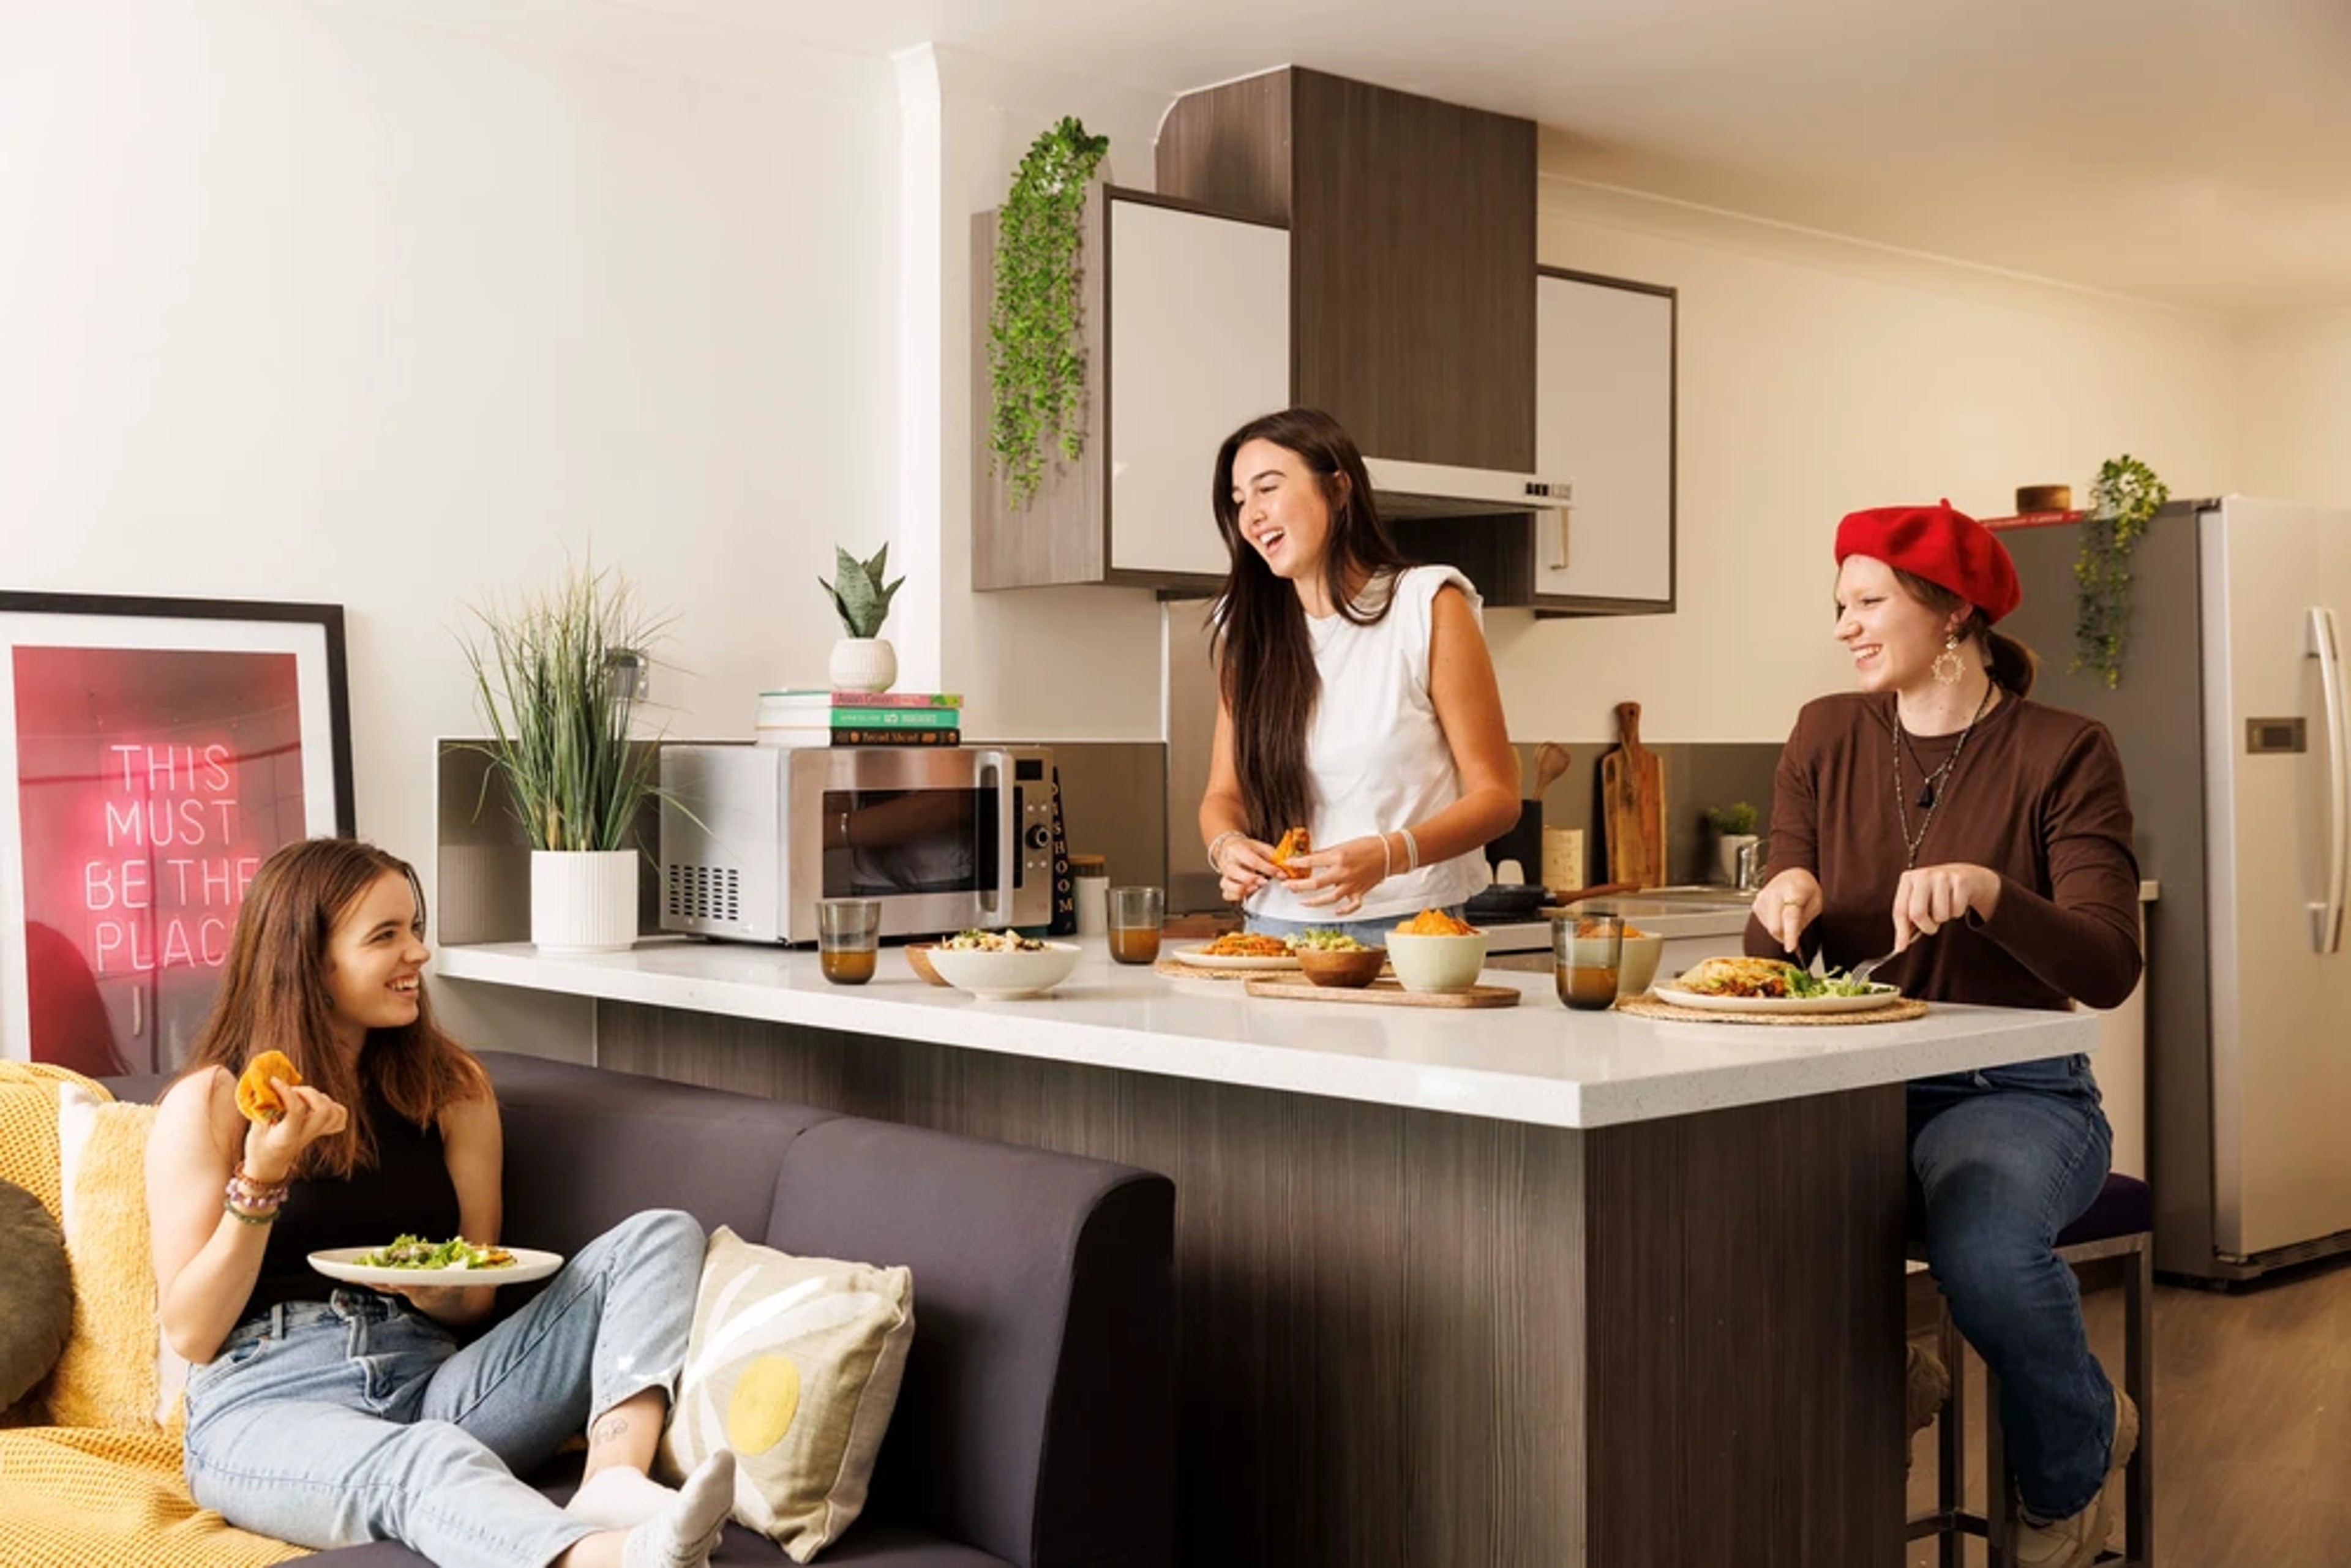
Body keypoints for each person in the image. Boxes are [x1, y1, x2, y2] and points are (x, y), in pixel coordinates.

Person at [145, 837, 735, 1568]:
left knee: (659, 1234)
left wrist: (435, 1288)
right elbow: (193, 1332)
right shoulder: (212, 1101)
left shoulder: (451, 1086)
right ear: (309, 961)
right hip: (266, 1397)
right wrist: (261, 1178)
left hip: (435, 1376)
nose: (418, 953)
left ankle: (613, 1476)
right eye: (386, 935)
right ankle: (606, 1558)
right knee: (423, 1459)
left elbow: (474, 1298)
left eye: (415, 927)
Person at [1745, 500, 2143, 1568]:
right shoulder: (1826, 731)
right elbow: (1773, 947)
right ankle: (1895, 1377)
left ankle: (2073, 1460)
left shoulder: (2066, 750)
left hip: (2014, 1090)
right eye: (1841, 604)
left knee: (1987, 1255)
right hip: (1850, 1090)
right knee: (1722, 1231)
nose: (1846, 625)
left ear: (1953, 612)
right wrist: (1780, 892)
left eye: (1869, 601)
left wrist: (1990, 892)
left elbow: (2109, 964)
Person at [1198, 407, 1520, 945]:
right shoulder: (1249, 632)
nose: (1250, 515)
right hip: (1273, 935)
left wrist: (1389, 854)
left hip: (1414, 934)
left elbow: (1499, 797)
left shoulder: (1428, 605)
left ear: (1339, 488)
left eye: (1267, 488)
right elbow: (1221, 796)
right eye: (1238, 501)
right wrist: (1227, 846)